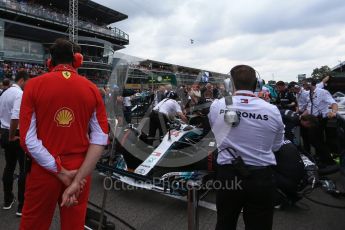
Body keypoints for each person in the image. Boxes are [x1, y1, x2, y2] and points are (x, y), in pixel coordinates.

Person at [19, 38, 109, 230]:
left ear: (49, 62)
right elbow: (100, 137)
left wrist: (60, 171)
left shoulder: (33, 85)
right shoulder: (92, 89)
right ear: (77, 60)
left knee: (33, 223)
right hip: (80, 169)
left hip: (44, 169)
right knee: (74, 225)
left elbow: (27, 140)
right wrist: (76, 179)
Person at [208, 65, 284, 230]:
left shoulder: (217, 106)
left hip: (228, 177)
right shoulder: (272, 110)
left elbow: (215, 131)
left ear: (230, 84)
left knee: (225, 223)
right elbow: (277, 146)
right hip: (261, 178)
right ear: (257, 84)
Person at [0, 71, 29, 216]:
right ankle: (21, 206)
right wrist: (12, 136)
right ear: (22, 80)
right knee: (24, 169)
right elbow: (15, 116)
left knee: (9, 166)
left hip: (4, 132)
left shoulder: (4, 93)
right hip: (14, 134)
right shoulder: (19, 94)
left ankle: (7, 199)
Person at [303, 79, 338, 167]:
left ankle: (328, 160)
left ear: (309, 84)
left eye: (304, 84)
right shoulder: (308, 93)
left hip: (320, 119)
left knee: (317, 140)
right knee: (314, 140)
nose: (303, 86)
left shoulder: (322, 92)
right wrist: (301, 115)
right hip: (312, 119)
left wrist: (333, 112)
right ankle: (321, 157)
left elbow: (334, 103)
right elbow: (309, 107)